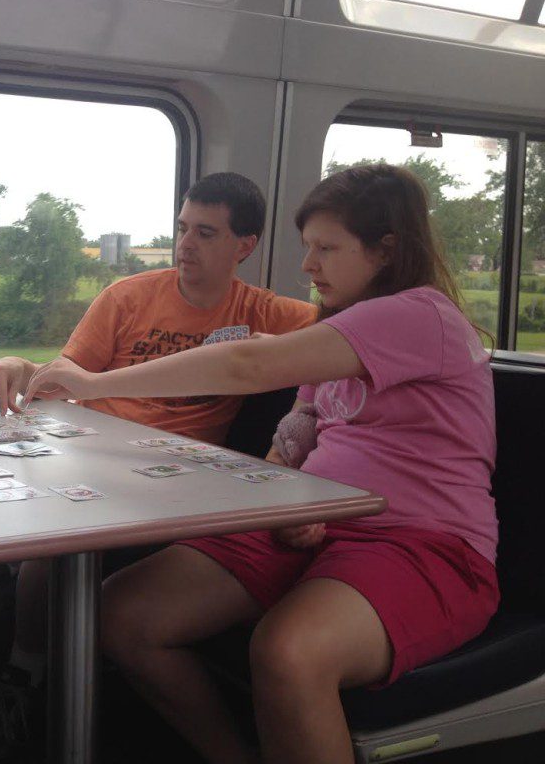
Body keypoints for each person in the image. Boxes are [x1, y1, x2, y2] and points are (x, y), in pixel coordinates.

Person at [25, 164, 499, 764]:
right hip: (324, 522)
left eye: (327, 248)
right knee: (125, 615)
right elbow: (298, 433)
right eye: (308, 248)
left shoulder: (418, 314)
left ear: (388, 251)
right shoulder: (339, 325)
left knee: (288, 651)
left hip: (424, 542)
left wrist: (92, 386)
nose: (309, 266)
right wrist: (285, 498)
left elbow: (248, 366)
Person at [0, 173, 316, 760]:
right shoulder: (127, 298)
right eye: (182, 228)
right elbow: (63, 376)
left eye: (206, 233)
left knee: (54, 555)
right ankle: (24, 671)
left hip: (182, 477)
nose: (186, 245)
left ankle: (22, 613)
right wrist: (14, 364)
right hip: (95, 451)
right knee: (54, 543)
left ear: (244, 246)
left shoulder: (269, 315)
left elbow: (351, 334)